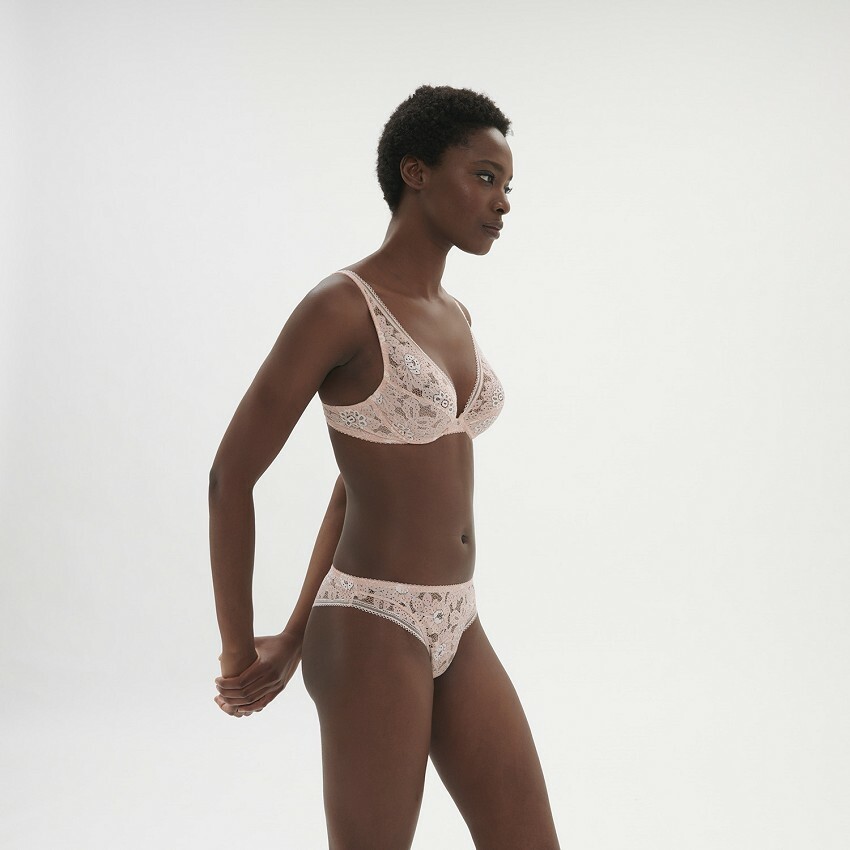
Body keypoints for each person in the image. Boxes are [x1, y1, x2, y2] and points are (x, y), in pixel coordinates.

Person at [209, 84, 561, 850]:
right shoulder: (341, 305)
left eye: (508, 184)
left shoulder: (456, 314)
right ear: (416, 171)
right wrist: (242, 651)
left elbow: (356, 485)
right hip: (372, 624)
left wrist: (295, 627)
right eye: (485, 177)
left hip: (459, 619)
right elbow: (229, 478)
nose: (503, 202)